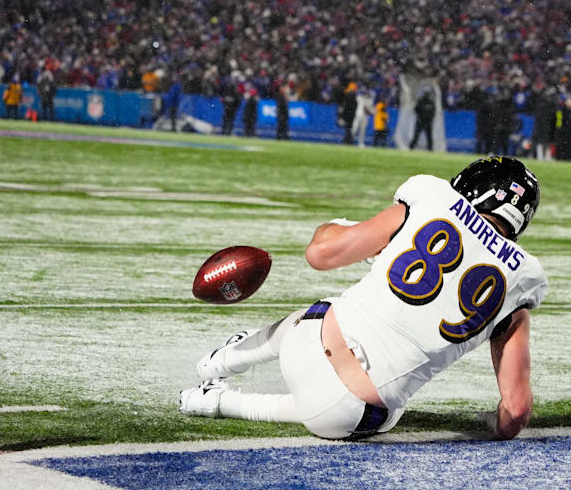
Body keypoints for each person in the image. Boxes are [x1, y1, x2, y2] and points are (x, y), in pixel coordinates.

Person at [179, 156, 547, 439]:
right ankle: (215, 402)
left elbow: (320, 255)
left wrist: (342, 227)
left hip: (311, 343)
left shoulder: (431, 198)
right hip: (349, 417)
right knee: (351, 410)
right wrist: (492, 423)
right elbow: (515, 412)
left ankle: (222, 361)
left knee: (321, 312)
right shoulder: (523, 282)